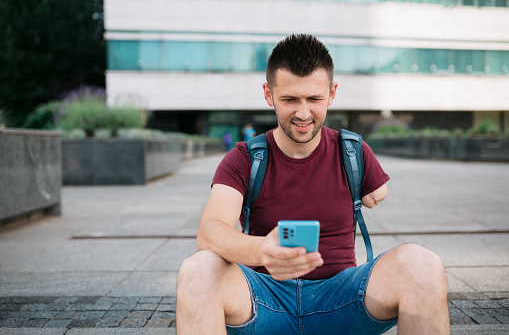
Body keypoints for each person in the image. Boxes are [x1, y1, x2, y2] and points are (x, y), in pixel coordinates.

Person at [176, 34, 449, 335]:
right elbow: (209, 233)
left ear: (332, 93)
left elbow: (376, 193)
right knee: (197, 270)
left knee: (422, 264)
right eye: (290, 99)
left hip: (343, 300)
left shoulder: (352, 151)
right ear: (269, 94)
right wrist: (262, 251)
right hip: (263, 300)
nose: (303, 113)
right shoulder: (245, 158)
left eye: (314, 99)